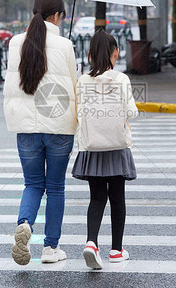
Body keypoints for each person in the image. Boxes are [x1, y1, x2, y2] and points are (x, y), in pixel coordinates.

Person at [3, 0, 77, 265]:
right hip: (58, 126)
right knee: (55, 187)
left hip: (26, 127)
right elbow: (73, 85)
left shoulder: (14, 43)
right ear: (57, 16)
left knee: (33, 184)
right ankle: (50, 248)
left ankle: (25, 223)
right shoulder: (65, 45)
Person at [71, 29, 139, 270]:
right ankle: (117, 250)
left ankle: (91, 243)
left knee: (97, 197)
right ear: (115, 53)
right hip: (117, 146)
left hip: (92, 148)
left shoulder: (82, 81)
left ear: (90, 54)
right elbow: (132, 113)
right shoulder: (121, 79)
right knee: (117, 198)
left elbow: (78, 115)